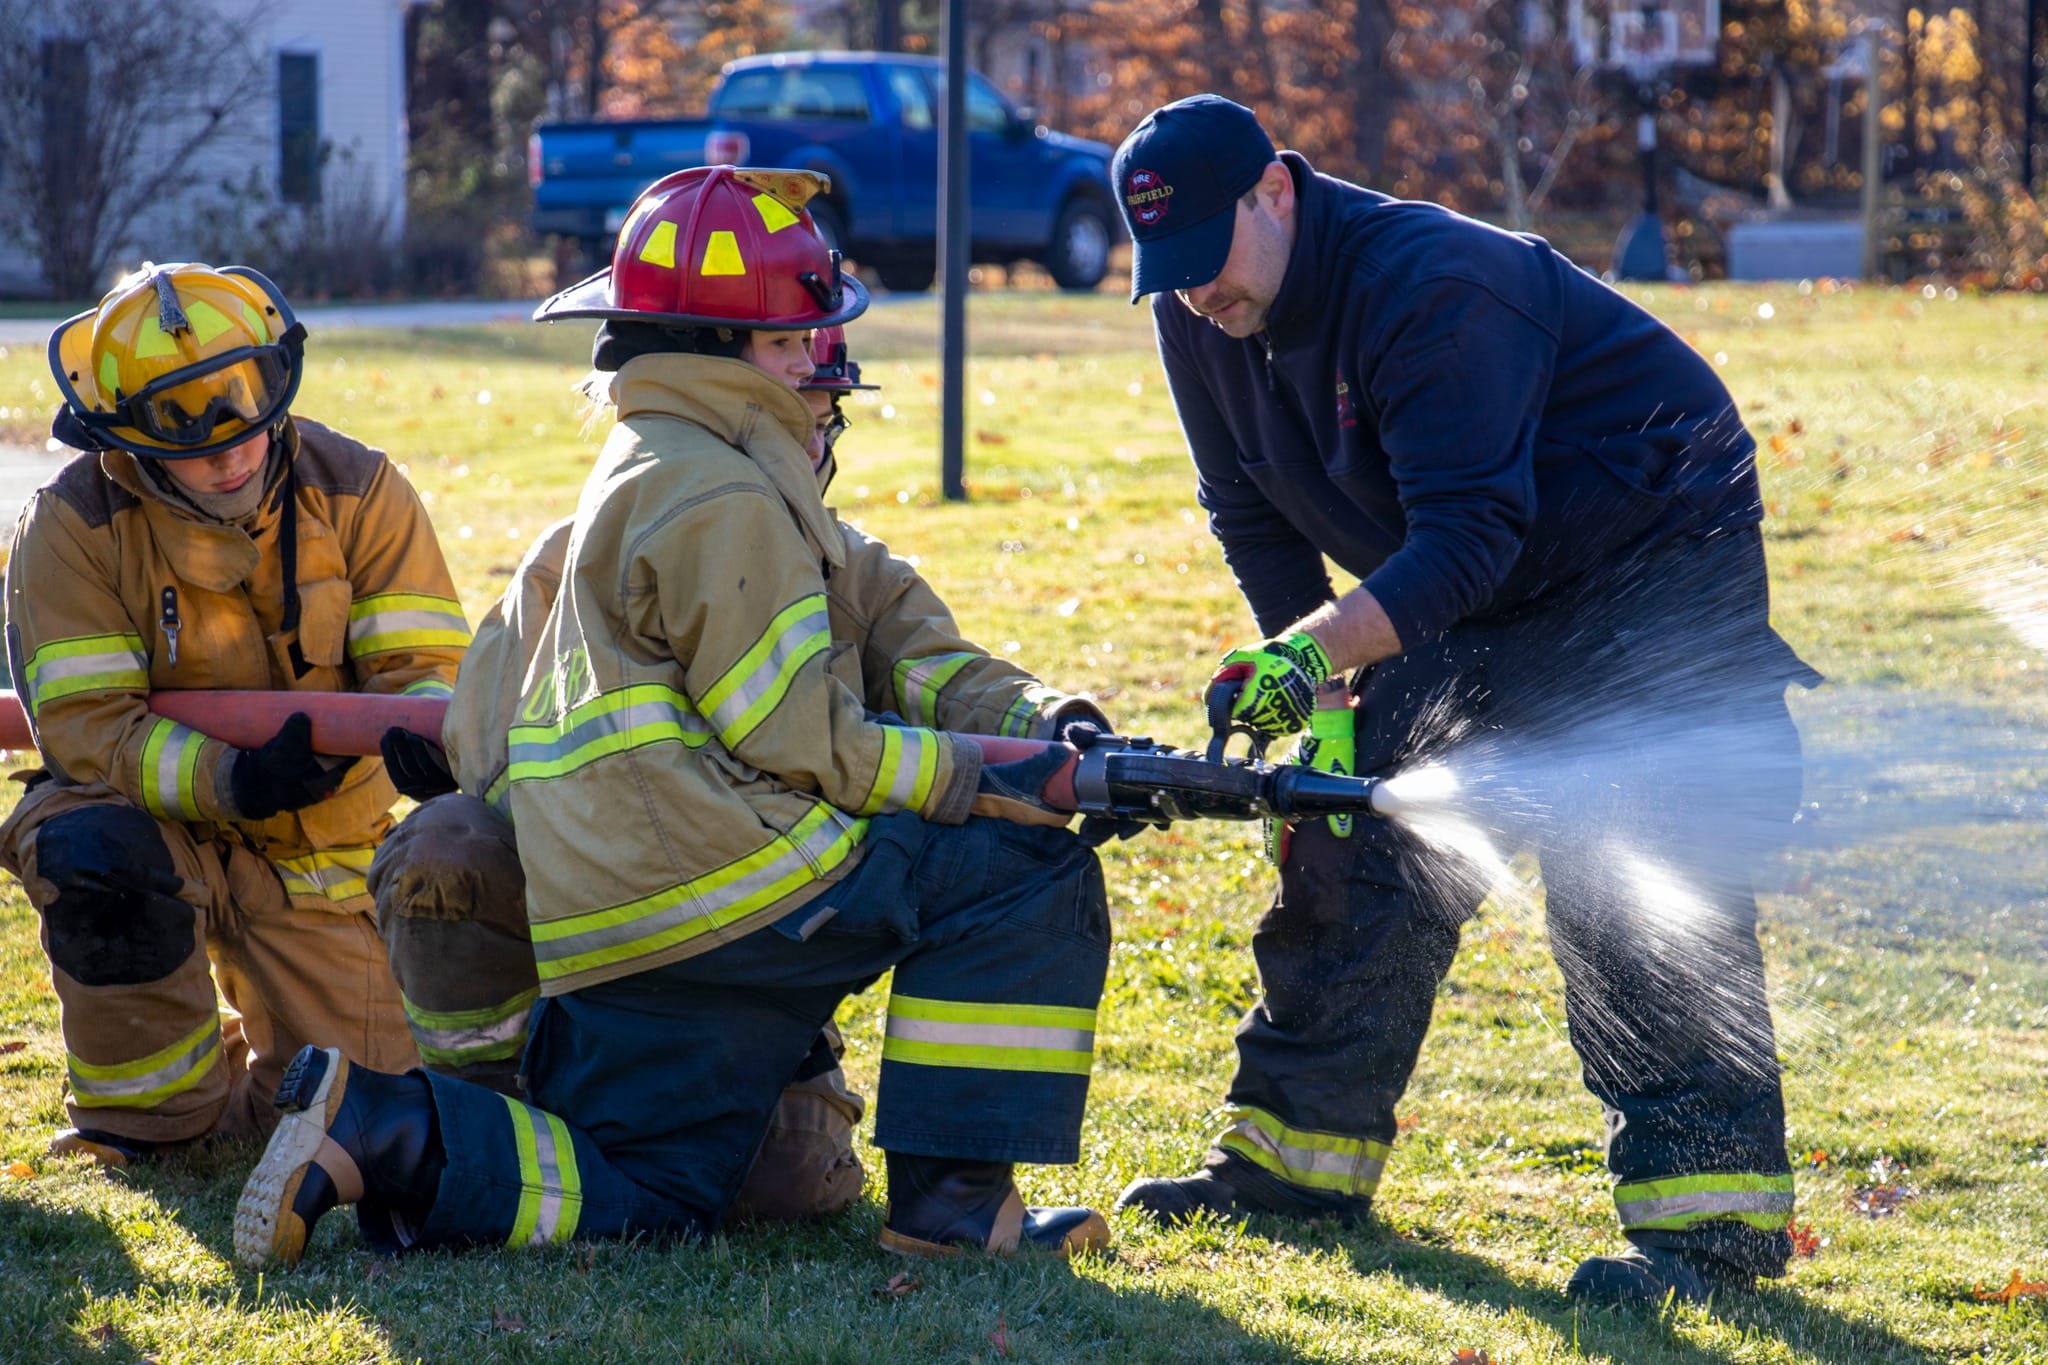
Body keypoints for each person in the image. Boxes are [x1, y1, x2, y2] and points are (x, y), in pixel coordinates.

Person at [235, 166, 1118, 1268]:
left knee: (652, 1196)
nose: (815, 380)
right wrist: (1004, 785)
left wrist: (1057, 727)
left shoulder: (606, 512)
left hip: (610, 946)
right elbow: (799, 738)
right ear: (724, 353)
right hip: (732, 894)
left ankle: (384, 1128)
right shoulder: (729, 500)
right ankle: (956, 1217)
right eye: (797, 351)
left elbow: (476, 740)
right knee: (1022, 871)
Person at [1108, 96, 1820, 1304]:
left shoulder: (1432, 283)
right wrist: (1314, 666)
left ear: (1275, 191)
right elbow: (1249, 508)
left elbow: (1469, 533)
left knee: (1627, 873)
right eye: (1164, 276)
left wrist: (1319, 646)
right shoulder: (1202, 311)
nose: (1191, 298)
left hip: (1638, 556)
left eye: (1204, 264)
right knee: (1355, 834)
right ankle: (1294, 1166)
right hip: (1470, 577)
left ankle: (1707, 1238)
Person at [359, 324, 894, 1225]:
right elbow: (490, 757)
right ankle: (477, 1109)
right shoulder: (563, 562)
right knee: (443, 845)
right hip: (599, 950)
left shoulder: (852, 570)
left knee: (791, 1188)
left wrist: (1053, 727)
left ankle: (478, 1147)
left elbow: (953, 668)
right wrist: (457, 771)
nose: (807, 441)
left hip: (753, 959)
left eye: (823, 418)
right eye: (792, 411)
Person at [0, 263, 467, 1166]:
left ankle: (260, 1085)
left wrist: (426, 734)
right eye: (186, 424)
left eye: (246, 402)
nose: (230, 447)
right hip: (148, 826)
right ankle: (159, 1123)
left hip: (319, 857)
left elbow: (427, 669)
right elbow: (89, 729)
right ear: (123, 432)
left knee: (354, 1104)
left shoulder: (360, 491)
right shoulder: (70, 529)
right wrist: (231, 779)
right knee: (90, 847)